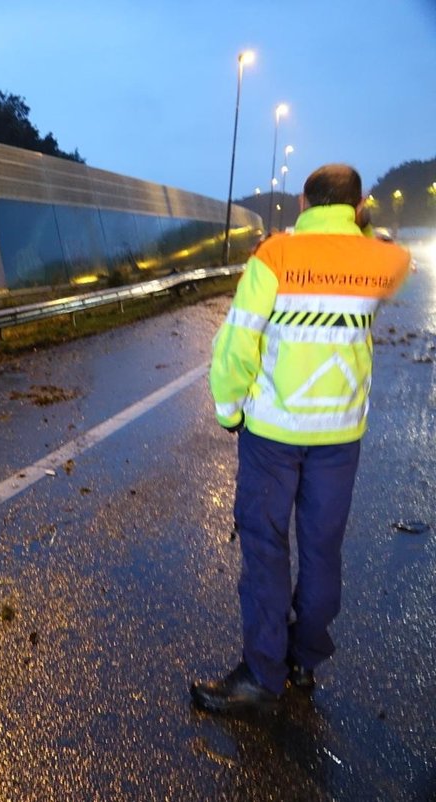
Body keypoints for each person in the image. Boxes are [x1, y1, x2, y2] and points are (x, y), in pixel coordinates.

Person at [192, 164, 412, 715]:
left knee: (266, 552)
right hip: (339, 437)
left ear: (302, 201)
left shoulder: (276, 257)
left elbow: (236, 345)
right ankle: (304, 663)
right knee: (321, 554)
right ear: (357, 205)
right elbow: (387, 251)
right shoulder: (382, 260)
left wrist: (228, 411)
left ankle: (262, 677)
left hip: (272, 434)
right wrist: (362, 229)